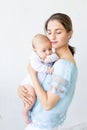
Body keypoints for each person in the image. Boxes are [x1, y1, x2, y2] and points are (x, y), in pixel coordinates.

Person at [18, 13, 78, 130]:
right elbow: (42, 86)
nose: (52, 37)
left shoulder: (64, 66)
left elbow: (47, 104)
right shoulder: (53, 60)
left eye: (58, 32)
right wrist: (22, 90)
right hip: (37, 123)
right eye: (49, 32)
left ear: (69, 33)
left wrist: (32, 74)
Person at [20, 33, 58, 124]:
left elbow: (56, 56)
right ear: (35, 50)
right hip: (29, 84)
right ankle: (25, 112)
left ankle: (30, 111)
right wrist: (46, 69)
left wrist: (50, 58)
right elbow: (36, 67)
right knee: (31, 99)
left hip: (36, 83)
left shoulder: (49, 55)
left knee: (34, 100)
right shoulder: (34, 58)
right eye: (44, 50)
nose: (48, 52)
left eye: (49, 49)